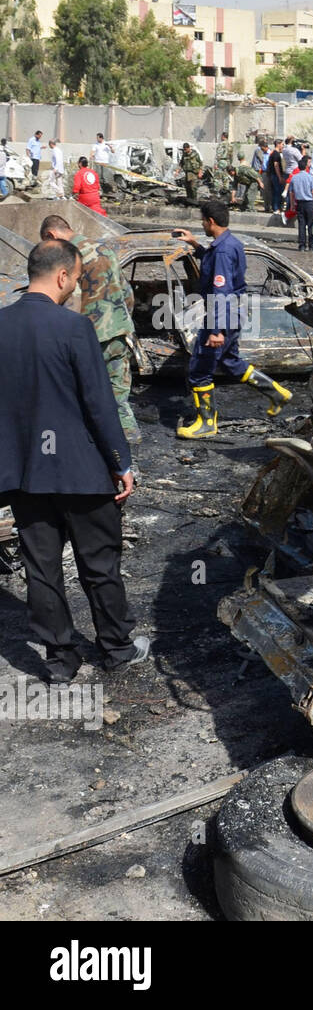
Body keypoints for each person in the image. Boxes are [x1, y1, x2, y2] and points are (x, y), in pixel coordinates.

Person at [0, 239, 151, 682]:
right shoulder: (73, 327)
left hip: (25, 475)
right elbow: (99, 403)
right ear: (63, 276)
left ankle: (60, 659)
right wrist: (120, 461)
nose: (75, 286)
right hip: (80, 471)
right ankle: (117, 648)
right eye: (76, 277)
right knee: (100, 562)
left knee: (41, 568)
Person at [171, 200, 294, 438]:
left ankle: (207, 423)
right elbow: (216, 265)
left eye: (203, 221)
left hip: (223, 316)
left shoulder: (224, 251)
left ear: (211, 221)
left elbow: (221, 292)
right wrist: (195, 244)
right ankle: (277, 393)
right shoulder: (228, 244)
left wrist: (217, 330)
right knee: (230, 362)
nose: (202, 224)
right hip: (233, 314)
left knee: (199, 370)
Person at [39, 214, 140, 443]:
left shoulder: (68, 257)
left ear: (50, 236)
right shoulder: (105, 249)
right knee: (118, 396)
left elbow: (70, 306)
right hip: (118, 333)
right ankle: (128, 446)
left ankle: (84, 448)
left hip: (90, 337)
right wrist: (123, 322)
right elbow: (127, 294)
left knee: (81, 395)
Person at [288, 156, 313, 251]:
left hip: (299, 204)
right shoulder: (310, 177)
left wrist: (292, 205)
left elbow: (291, 193)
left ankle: (301, 245)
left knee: (301, 225)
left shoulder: (294, 178)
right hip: (310, 203)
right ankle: (311, 245)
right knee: (311, 224)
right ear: (306, 166)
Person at [251, 138, 271, 213]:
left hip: (260, 170)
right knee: (261, 188)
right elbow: (262, 159)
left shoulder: (260, 150)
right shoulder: (259, 150)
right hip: (259, 170)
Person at [268, 139, 286, 215]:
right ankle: (276, 208)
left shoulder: (274, 153)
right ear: (278, 144)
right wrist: (280, 177)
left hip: (274, 175)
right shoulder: (276, 154)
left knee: (277, 192)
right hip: (276, 176)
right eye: (282, 144)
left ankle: (277, 207)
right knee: (277, 192)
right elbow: (276, 166)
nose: (283, 146)